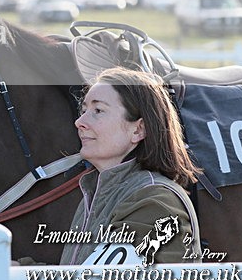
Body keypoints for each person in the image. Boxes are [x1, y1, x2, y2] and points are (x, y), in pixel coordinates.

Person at [60, 66, 202, 265]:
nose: (79, 122)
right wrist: (18, 270)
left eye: (98, 110)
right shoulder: (93, 196)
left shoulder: (154, 201)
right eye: (84, 110)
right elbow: (75, 277)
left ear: (138, 130)